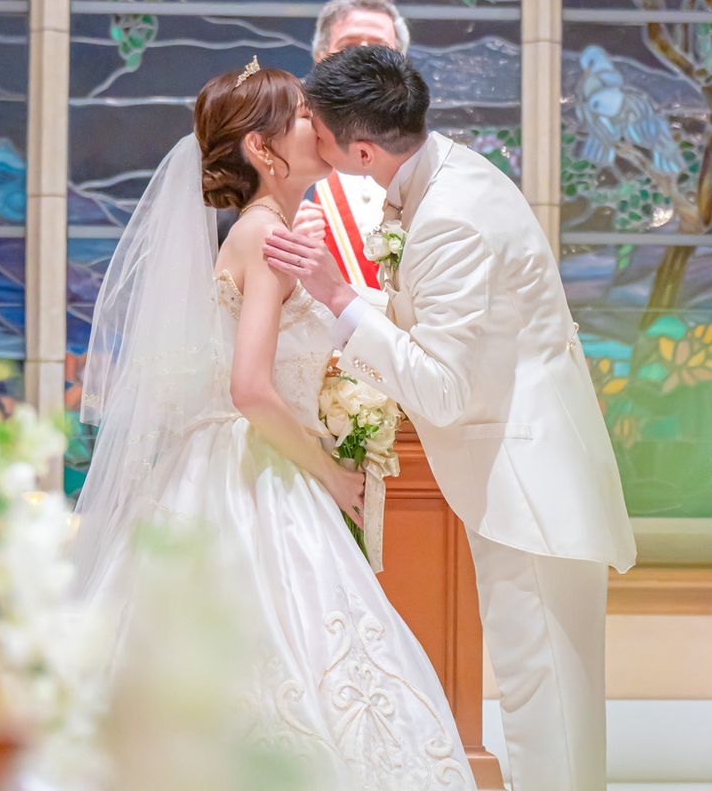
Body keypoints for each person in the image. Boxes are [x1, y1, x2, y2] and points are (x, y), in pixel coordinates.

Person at [71, 60, 474, 791]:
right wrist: (332, 475)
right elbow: (251, 389)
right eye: (302, 117)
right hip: (255, 474)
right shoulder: (266, 238)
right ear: (262, 149)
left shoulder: (266, 231)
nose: (317, 126)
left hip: (232, 464)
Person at [264, 46, 637, 791]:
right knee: (547, 696)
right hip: (528, 468)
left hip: (529, 486)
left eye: (320, 132)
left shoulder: (449, 219)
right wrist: (335, 303)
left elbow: (441, 391)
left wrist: (337, 299)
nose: (312, 141)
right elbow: (432, 322)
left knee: (545, 701)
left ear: (361, 152)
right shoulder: (450, 172)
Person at [293, 0, 410, 289]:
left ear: (402, 61)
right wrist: (282, 232)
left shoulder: (422, 150)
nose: (364, 58)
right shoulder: (287, 142)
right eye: (349, 45)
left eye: (379, 46)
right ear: (320, 58)